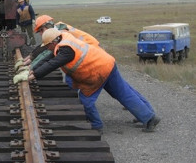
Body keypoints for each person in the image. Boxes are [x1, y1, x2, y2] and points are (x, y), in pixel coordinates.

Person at [13, 28, 161, 134]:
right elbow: (49, 57)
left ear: (53, 41)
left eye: (48, 45)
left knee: (86, 101)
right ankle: (149, 118)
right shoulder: (64, 38)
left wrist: (32, 76)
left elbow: (52, 64)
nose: (49, 48)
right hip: (107, 63)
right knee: (123, 94)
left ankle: (97, 126)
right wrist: (31, 70)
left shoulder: (66, 51)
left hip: (98, 71)